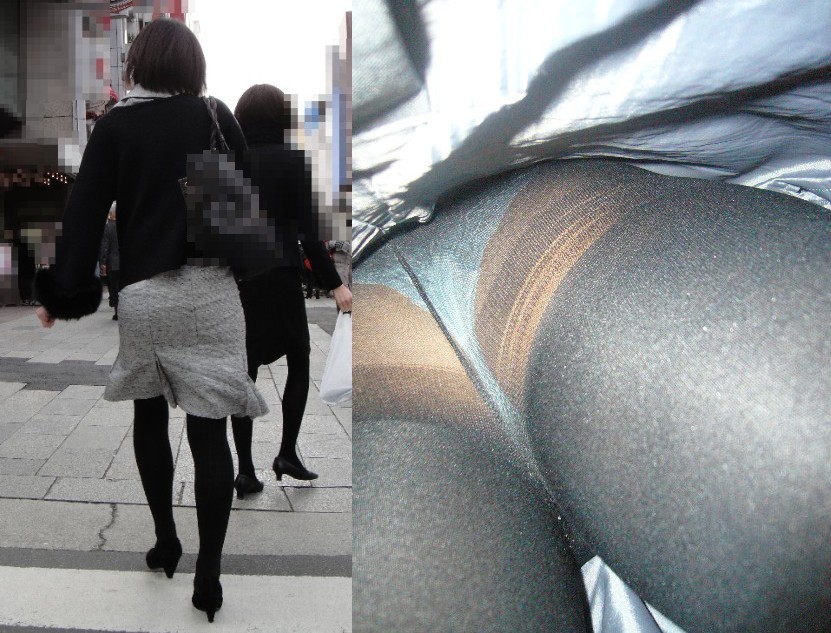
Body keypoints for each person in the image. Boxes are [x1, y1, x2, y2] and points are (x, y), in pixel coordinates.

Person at [33, 18, 266, 623]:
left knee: (149, 416)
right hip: (213, 293)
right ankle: (209, 575)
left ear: (137, 62)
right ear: (193, 66)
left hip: (144, 295)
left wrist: (62, 293)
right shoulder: (215, 114)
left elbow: (85, 214)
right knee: (210, 434)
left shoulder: (116, 126)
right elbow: (250, 201)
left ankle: (166, 540)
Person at [229, 83, 352, 499]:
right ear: (280, 115)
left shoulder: (230, 161)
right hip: (281, 276)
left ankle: (245, 471)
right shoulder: (292, 159)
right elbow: (310, 234)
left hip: (241, 282)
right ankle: (286, 452)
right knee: (299, 360)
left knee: (243, 373)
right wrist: (335, 284)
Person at [98, 203, 120, 320]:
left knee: (113, 287)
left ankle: (117, 311)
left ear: (111, 214)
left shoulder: (108, 227)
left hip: (112, 262)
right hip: (123, 262)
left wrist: (103, 262)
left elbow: (105, 246)